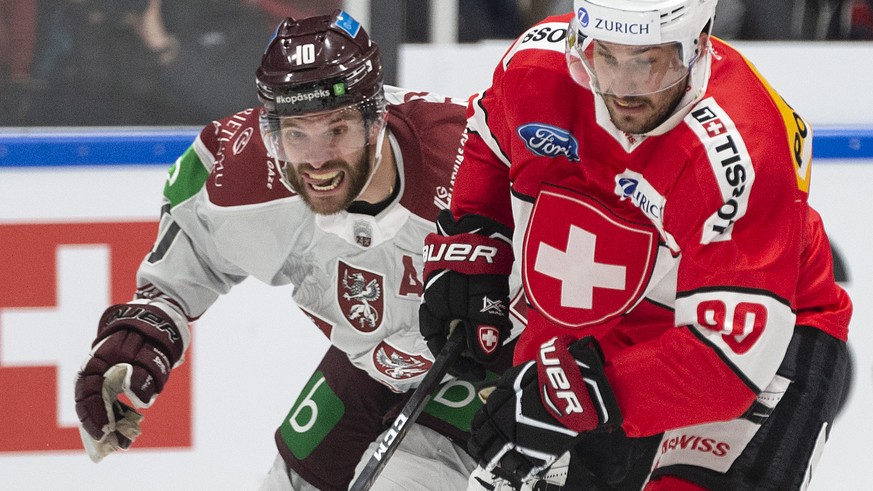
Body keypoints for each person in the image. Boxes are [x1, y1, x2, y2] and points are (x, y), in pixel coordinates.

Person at [73, 10, 522, 490]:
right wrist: (146, 330)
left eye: (337, 129)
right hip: (371, 362)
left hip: (491, 361)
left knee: (407, 479)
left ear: (377, 119)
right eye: (295, 133)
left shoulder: (471, 160)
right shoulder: (249, 176)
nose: (316, 159)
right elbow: (194, 227)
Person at [418, 0, 852, 489]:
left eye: (648, 61)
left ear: (698, 44)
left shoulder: (743, 148)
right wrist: (477, 237)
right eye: (605, 55)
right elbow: (489, 140)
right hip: (597, 336)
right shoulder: (539, 63)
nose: (621, 88)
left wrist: (570, 397)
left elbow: (728, 359)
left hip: (755, 344)